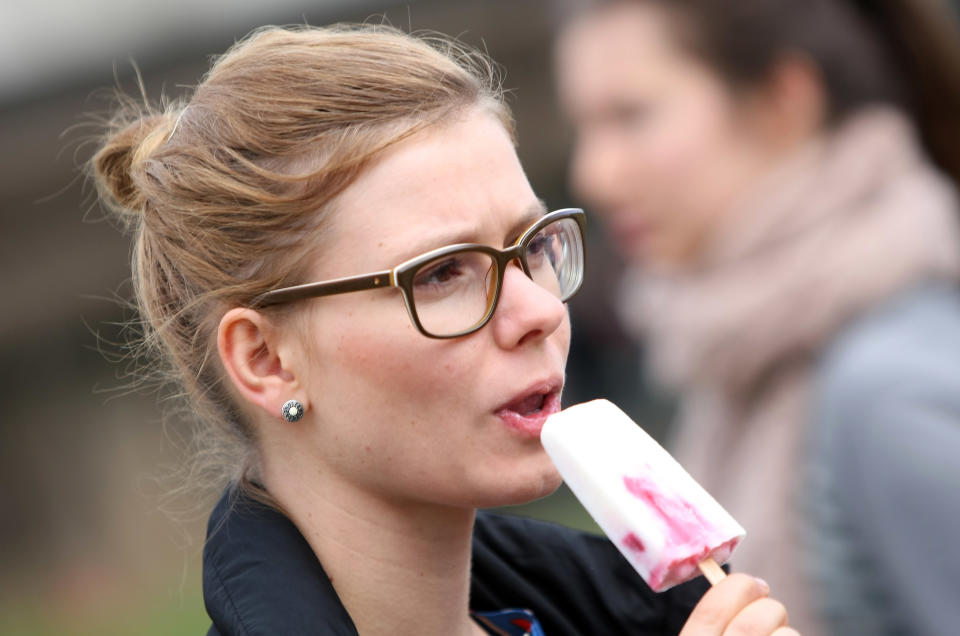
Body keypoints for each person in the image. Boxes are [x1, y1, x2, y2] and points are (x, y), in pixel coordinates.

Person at [90, 24, 798, 636]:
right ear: (267, 360)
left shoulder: (635, 612)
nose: (540, 312)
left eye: (529, 248)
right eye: (441, 274)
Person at [554, 1, 960, 635]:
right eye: (586, 124)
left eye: (631, 116)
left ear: (784, 98)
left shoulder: (892, 389)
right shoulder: (741, 360)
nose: (595, 174)